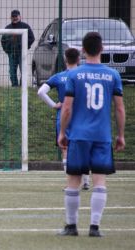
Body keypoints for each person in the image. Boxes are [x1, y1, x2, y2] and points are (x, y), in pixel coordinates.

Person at [57, 32, 125, 237]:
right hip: (102, 136)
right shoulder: (112, 75)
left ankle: (71, 227)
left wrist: (62, 132)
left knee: (73, 181)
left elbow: (67, 108)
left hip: (78, 135)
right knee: (99, 181)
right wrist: (120, 135)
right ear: (102, 49)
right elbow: (119, 109)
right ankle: (95, 228)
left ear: (83, 51)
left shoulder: (74, 75)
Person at [37, 48, 90, 190]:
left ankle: (71, 184)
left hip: (64, 114)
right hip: (82, 114)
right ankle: (86, 181)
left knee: (65, 148)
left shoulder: (59, 77)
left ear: (65, 59)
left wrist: (54, 105)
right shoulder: (84, 75)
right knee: (82, 147)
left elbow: (41, 91)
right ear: (78, 59)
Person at [1, 9, 35, 87]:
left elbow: (32, 38)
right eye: (13, 16)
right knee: (12, 72)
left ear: (20, 17)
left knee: (23, 71)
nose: (14, 18)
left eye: (16, 16)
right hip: (12, 53)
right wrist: (7, 50)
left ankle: (22, 86)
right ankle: (14, 86)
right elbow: (3, 41)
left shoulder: (25, 26)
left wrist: (25, 46)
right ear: (11, 18)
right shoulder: (7, 28)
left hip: (22, 53)